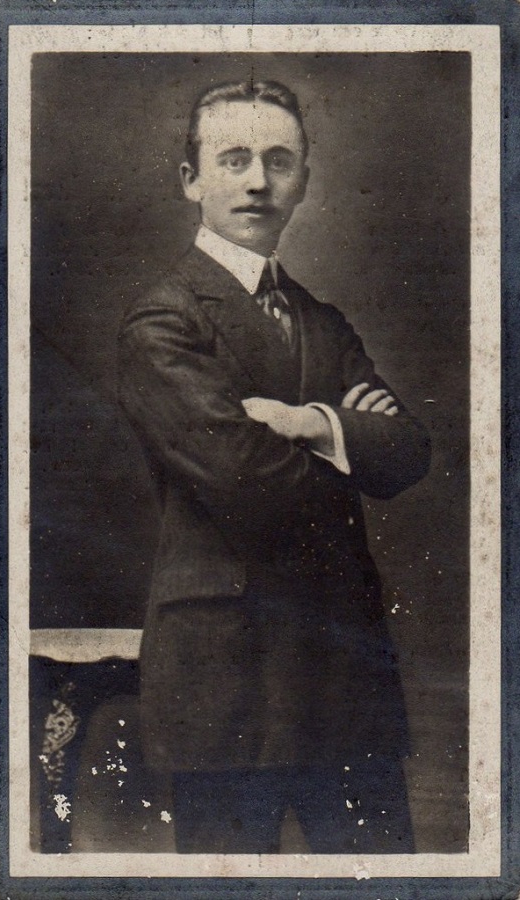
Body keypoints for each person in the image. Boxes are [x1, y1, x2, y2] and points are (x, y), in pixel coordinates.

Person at [118, 79, 431, 854]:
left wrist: (303, 422)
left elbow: (408, 453)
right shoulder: (163, 321)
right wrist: (349, 436)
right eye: (233, 159)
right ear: (190, 179)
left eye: (278, 161)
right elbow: (245, 482)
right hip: (230, 678)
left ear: (303, 180)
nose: (257, 181)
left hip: (344, 675)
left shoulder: (321, 320)